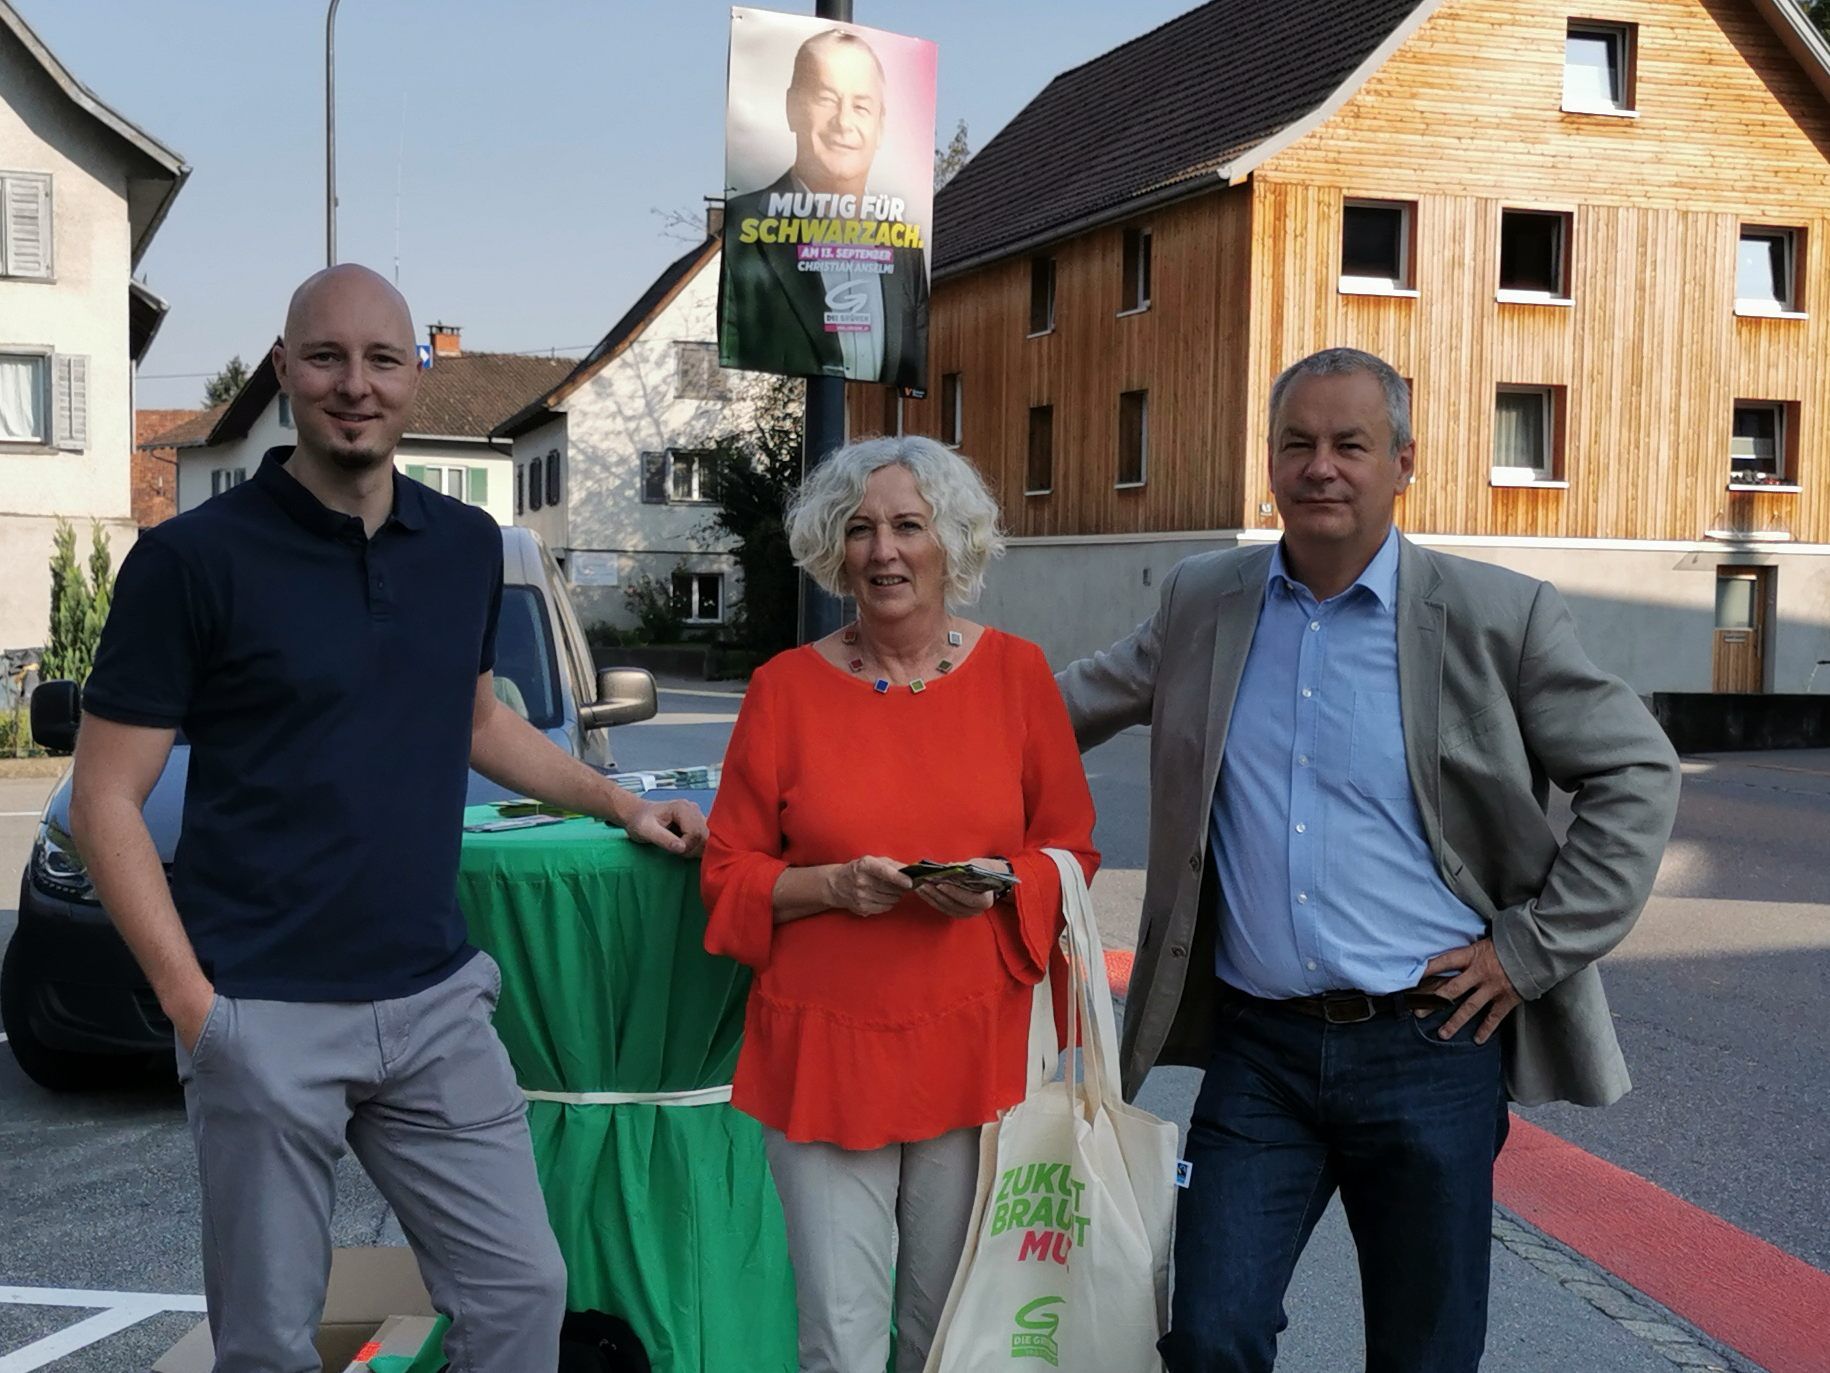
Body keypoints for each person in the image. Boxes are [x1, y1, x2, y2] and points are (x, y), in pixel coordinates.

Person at [69, 264, 707, 1373]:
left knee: (521, 1291)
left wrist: (618, 798)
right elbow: (103, 797)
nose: (353, 384)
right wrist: (196, 1009)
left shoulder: (464, 547)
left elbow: (475, 720)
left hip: (432, 1003)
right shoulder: (191, 562)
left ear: (416, 375)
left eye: (381, 359)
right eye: (326, 358)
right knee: (268, 1339)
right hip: (261, 1010)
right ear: (284, 373)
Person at [1056, 347, 1681, 1372]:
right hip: (1261, 1052)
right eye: (1297, 444)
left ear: (1404, 461)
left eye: (1351, 444)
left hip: (1429, 1043)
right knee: (1208, 1331)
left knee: (1423, 1351)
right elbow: (1054, 710)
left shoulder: (1499, 616)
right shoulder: (1205, 600)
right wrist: (890, 707)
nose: (1321, 468)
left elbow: (1638, 774)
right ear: (1269, 463)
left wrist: (1525, 952)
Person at [701, 435, 1097, 1373]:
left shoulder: (1019, 676)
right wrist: (833, 886)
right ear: (834, 551)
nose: (884, 551)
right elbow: (726, 878)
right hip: (826, 1055)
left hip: (976, 1056)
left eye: (908, 526)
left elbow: (1071, 852)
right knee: (839, 1341)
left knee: (951, 1335)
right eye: (860, 529)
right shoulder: (783, 690)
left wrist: (999, 883)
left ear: (951, 544)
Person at [719, 27, 929, 389]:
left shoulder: (904, 245)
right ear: (792, 107)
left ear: (880, 126)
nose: (844, 122)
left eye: (861, 106)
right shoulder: (747, 225)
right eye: (826, 99)